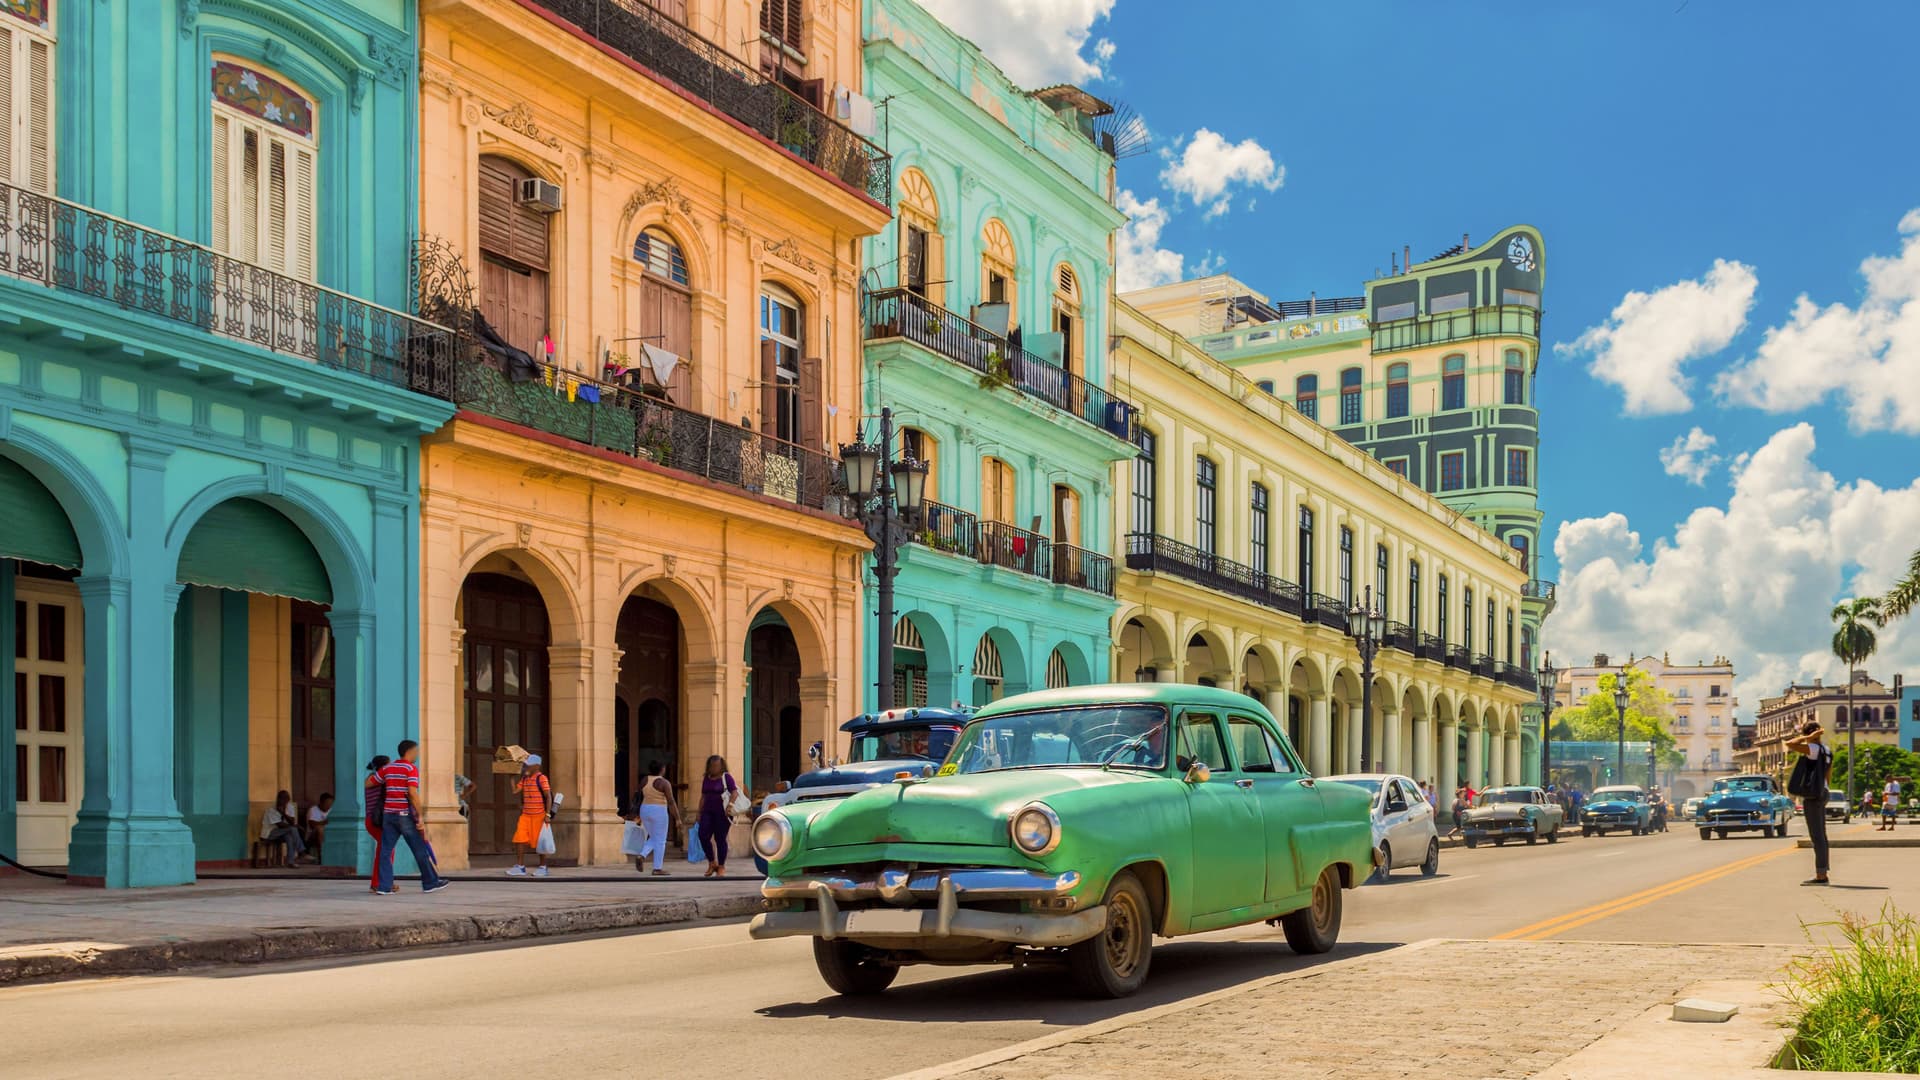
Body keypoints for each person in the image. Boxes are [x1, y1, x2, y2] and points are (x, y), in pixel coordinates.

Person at [375, 740, 451, 895]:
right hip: (404, 815)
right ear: (409, 752)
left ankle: (384, 886)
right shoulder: (410, 769)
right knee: (419, 849)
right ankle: (430, 882)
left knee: (385, 851)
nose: (417, 754)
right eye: (416, 751)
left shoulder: (387, 769)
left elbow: (369, 783)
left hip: (389, 815)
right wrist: (420, 817)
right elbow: (412, 793)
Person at [1784, 719, 1831, 885]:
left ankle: (1821, 875)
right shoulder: (1826, 750)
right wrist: (1824, 789)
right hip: (1823, 791)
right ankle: (1823, 870)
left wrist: (1808, 737)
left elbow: (1790, 743)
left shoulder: (1813, 749)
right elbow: (1828, 774)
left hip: (1813, 795)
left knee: (1816, 835)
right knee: (1821, 835)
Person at [509, 755, 554, 877]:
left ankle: (543, 867)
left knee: (541, 843)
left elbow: (548, 796)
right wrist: (512, 778)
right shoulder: (525, 779)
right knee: (519, 839)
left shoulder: (541, 778)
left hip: (538, 815)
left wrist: (547, 814)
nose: (526, 766)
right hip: (526, 815)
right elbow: (515, 791)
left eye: (529, 764)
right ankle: (520, 866)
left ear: (537, 766)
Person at [699, 755, 742, 878]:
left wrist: (730, 805)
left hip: (722, 813)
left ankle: (721, 866)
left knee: (720, 839)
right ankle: (712, 862)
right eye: (712, 766)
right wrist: (698, 812)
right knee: (703, 835)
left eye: (717, 766)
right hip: (707, 811)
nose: (714, 768)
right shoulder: (706, 778)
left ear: (721, 766)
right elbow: (703, 796)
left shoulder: (726, 777)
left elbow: (734, 792)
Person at [634, 759, 674, 877]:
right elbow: (671, 801)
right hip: (659, 810)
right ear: (662, 769)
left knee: (655, 837)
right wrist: (677, 818)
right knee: (661, 840)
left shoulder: (645, 780)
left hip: (645, 809)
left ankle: (641, 855)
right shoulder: (664, 783)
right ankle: (657, 868)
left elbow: (637, 794)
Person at [363, 756, 390, 893]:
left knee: (385, 851)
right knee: (385, 851)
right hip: (377, 821)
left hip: (372, 821)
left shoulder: (371, 778)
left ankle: (382, 882)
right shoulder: (379, 780)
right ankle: (378, 883)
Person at [260, 790, 306, 868]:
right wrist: (294, 826)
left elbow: (292, 821)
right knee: (292, 829)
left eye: (286, 799)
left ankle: (290, 862)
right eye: (282, 798)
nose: (284, 801)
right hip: (270, 833)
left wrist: (284, 813)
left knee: (290, 836)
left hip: (283, 833)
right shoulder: (271, 809)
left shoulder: (290, 806)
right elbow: (280, 825)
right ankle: (301, 850)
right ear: (278, 799)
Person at [305, 792, 333, 858]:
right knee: (320, 829)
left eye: (331, 804)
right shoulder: (313, 810)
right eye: (327, 803)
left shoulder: (332, 811)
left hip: (328, 833)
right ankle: (322, 856)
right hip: (312, 836)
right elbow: (312, 825)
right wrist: (325, 822)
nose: (329, 805)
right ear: (321, 802)